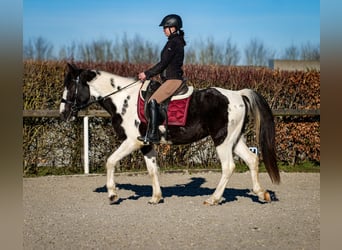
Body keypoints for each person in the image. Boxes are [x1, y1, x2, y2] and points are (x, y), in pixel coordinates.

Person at [138, 14, 186, 144]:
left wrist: (146, 74)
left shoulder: (174, 42)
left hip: (173, 80)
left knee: (153, 101)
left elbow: (163, 63)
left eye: (166, 27)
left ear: (173, 28)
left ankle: (153, 134)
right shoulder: (174, 41)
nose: (163, 29)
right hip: (170, 79)